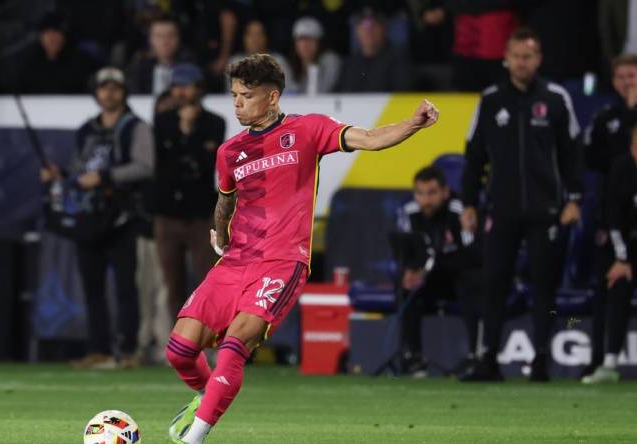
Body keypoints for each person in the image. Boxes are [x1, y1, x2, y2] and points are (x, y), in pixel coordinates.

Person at [165, 53, 438, 444]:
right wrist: (220, 232)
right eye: (234, 95)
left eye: (246, 95)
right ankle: (206, 396)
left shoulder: (309, 130)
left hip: (281, 262)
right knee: (178, 350)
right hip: (236, 261)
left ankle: (195, 437)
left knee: (234, 344)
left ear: (272, 97)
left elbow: (371, 139)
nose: (237, 103)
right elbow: (226, 197)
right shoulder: (230, 151)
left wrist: (413, 122)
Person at [459, 28, 583, 382]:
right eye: (517, 56)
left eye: (529, 56)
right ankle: (488, 360)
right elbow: (474, 156)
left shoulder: (557, 99)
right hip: (501, 208)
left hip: (548, 210)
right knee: (494, 282)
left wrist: (574, 200)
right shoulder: (491, 99)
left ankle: (541, 359)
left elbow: (574, 155)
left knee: (545, 285)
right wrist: (469, 202)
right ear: (506, 58)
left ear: (538, 59)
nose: (522, 62)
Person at [41, 67, 154, 369]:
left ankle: (130, 350)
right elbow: (80, 174)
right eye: (104, 88)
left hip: (122, 217)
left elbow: (145, 166)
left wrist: (105, 177)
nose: (109, 93)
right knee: (92, 288)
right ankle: (99, 349)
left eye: (114, 88)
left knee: (126, 287)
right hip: (90, 218)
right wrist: (61, 176)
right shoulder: (86, 130)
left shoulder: (136, 127)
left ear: (123, 92)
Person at [153, 63, 226, 319]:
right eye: (176, 86)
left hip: (200, 216)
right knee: (173, 286)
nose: (180, 91)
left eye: (186, 85)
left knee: (208, 282)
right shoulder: (161, 122)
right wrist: (182, 134)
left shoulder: (215, 123)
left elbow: (206, 167)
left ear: (199, 88)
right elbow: (164, 167)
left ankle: (210, 339)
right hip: (168, 214)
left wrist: (187, 134)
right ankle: (179, 346)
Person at [581, 54, 637, 378]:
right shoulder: (605, 116)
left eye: (633, 76)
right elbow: (591, 157)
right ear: (614, 81)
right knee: (605, 285)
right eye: (622, 77)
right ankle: (601, 358)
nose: (628, 82)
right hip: (612, 212)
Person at [396, 166, 481, 377]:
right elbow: (405, 252)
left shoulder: (459, 210)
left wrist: (430, 268)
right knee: (407, 286)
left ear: (444, 192)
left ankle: (475, 356)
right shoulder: (409, 212)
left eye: (432, 193)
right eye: (421, 193)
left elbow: (470, 256)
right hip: (427, 281)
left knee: (469, 281)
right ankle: (413, 357)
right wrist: (410, 271)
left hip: (456, 278)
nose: (426, 200)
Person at [17, 12, 99, 94]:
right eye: (49, 34)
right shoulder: (29, 63)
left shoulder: (81, 62)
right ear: (40, 37)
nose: (53, 38)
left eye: (58, 33)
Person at [335, 15, 413, 92]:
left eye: (373, 26)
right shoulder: (349, 63)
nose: (368, 31)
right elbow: (335, 96)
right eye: (363, 26)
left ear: (383, 29)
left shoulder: (399, 60)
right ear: (356, 32)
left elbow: (403, 94)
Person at [126, 16, 194, 96]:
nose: (165, 41)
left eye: (171, 35)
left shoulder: (191, 68)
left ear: (179, 39)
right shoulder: (138, 69)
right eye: (159, 36)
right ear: (150, 40)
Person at [229, 20, 295, 92]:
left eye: (259, 34)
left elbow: (288, 93)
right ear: (244, 38)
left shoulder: (279, 62)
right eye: (250, 34)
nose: (255, 38)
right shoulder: (235, 62)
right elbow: (230, 95)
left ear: (266, 37)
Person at [287, 16, 341, 95]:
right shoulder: (289, 66)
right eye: (301, 39)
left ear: (319, 43)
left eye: (310, 39)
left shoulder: (330, 61)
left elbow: (322, 93)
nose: (305, 44)